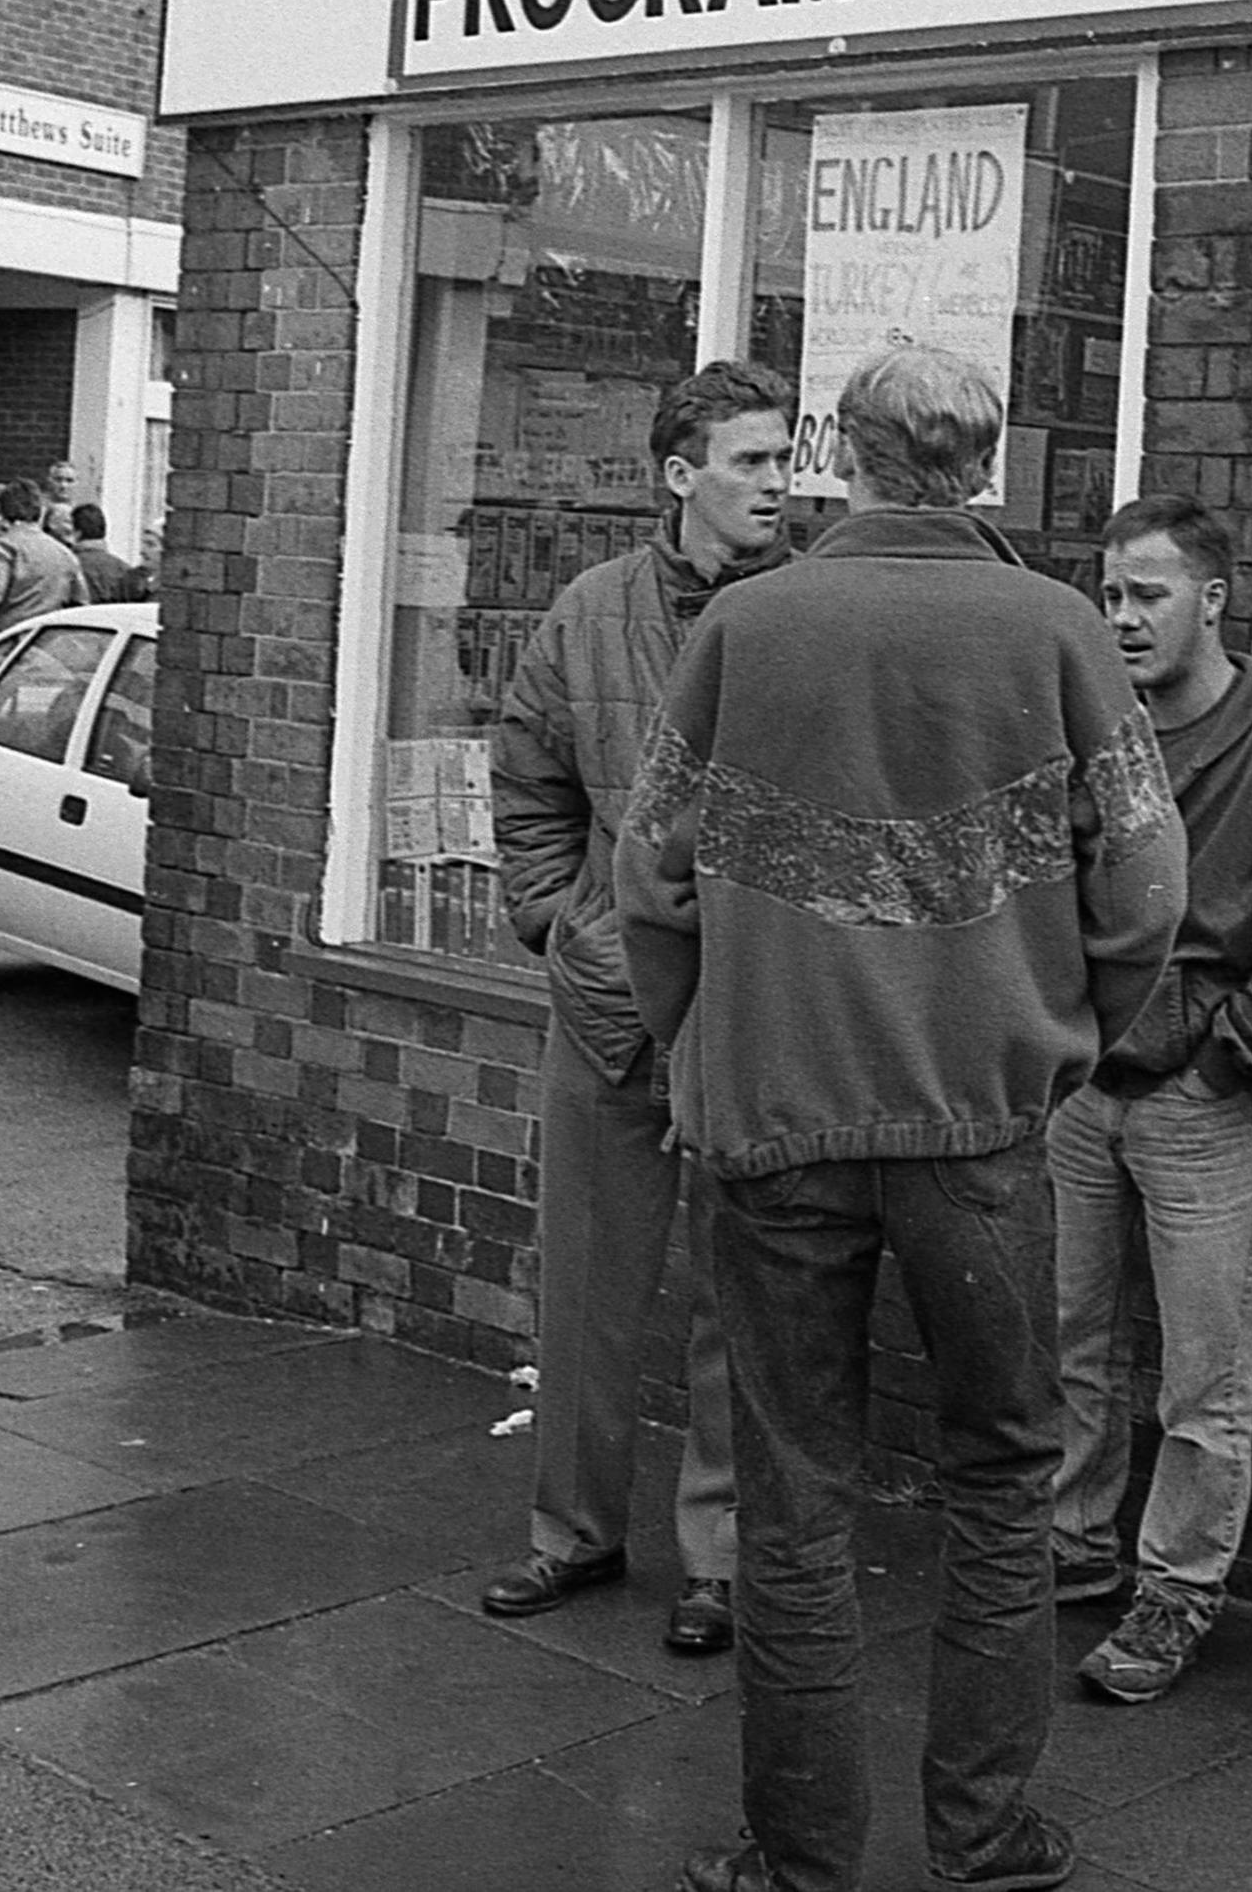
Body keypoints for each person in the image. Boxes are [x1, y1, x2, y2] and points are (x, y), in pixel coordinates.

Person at [618, 347, 1183, 1892]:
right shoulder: (1062, 629)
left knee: (795, 1490)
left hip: (773, 1124)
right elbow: (1145, 882)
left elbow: (650, 873)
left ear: (839, 459)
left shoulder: (743, 621)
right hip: (984, 1136)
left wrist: (703, 1042)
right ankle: (985, 1843)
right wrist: (1065, 1043)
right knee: (1003, 1477)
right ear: (980, 466)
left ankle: (800, 1860)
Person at [481, 360, 796, 1653]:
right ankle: (573, 1530)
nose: (780, 483)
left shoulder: (808, 609)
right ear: (680, 474)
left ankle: (718, 1561)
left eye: (786, 459)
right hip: (609, 996)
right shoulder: (591, 610)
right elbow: (527, 770)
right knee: (587, 1288)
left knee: (743, 1295)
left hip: (756, 1002)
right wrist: (562, 915)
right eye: (753, 461)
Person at [1052, 494, 1252, 1705]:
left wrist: (1221, 1058)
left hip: (1208, 1103)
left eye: (1149, 593)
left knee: (1204, 1374)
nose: (1123, 616)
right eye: (1112, 592)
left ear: (1214, 600)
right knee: (1070, 1335)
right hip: (1083, 1085)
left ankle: (1176, 1585)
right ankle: (1072, 1539)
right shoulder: (1102, 734)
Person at [0, 478, 84, 646]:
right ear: (40, 511)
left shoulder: (2, 548)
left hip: (5, 641)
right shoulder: (64, 553)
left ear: (4, 512)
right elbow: (80, 602)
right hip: (46, 642)